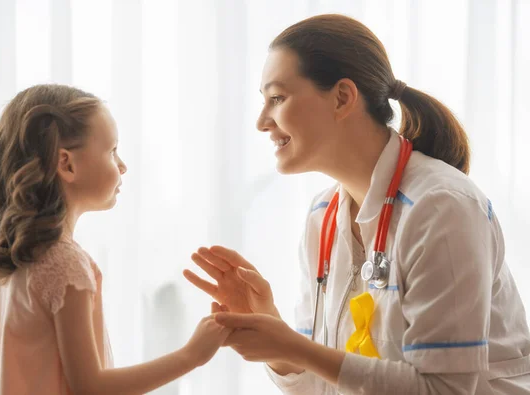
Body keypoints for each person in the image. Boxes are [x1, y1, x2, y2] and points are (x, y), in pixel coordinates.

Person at [184, 14, 530, 394]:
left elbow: (445, 389)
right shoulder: (324, 215)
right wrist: (273, 332)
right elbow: (320, 385)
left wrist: (295, 346)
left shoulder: (440, 207)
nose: (262, 122)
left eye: (277, 98)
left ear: (343, 97)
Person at [0, 84, 230, 395]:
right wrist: (191, 356)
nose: (122, 165)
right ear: (67, 164)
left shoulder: (21, 254)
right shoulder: (66, 265)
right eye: (112, 151)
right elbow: (91, 386)